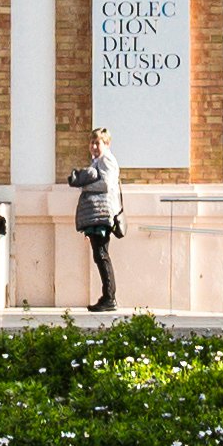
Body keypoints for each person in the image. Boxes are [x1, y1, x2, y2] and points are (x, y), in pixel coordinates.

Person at [73, 132, 124, 314]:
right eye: (92, 143)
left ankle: (109, 298)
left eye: (98, 143)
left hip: (103, 214)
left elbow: (106, 184)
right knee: (99, 255)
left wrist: (83, 184)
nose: (94, 147)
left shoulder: (106, 160)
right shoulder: (98, 161)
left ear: (106, 144)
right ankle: (107, 296)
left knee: (101, 254)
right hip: (97, 215)